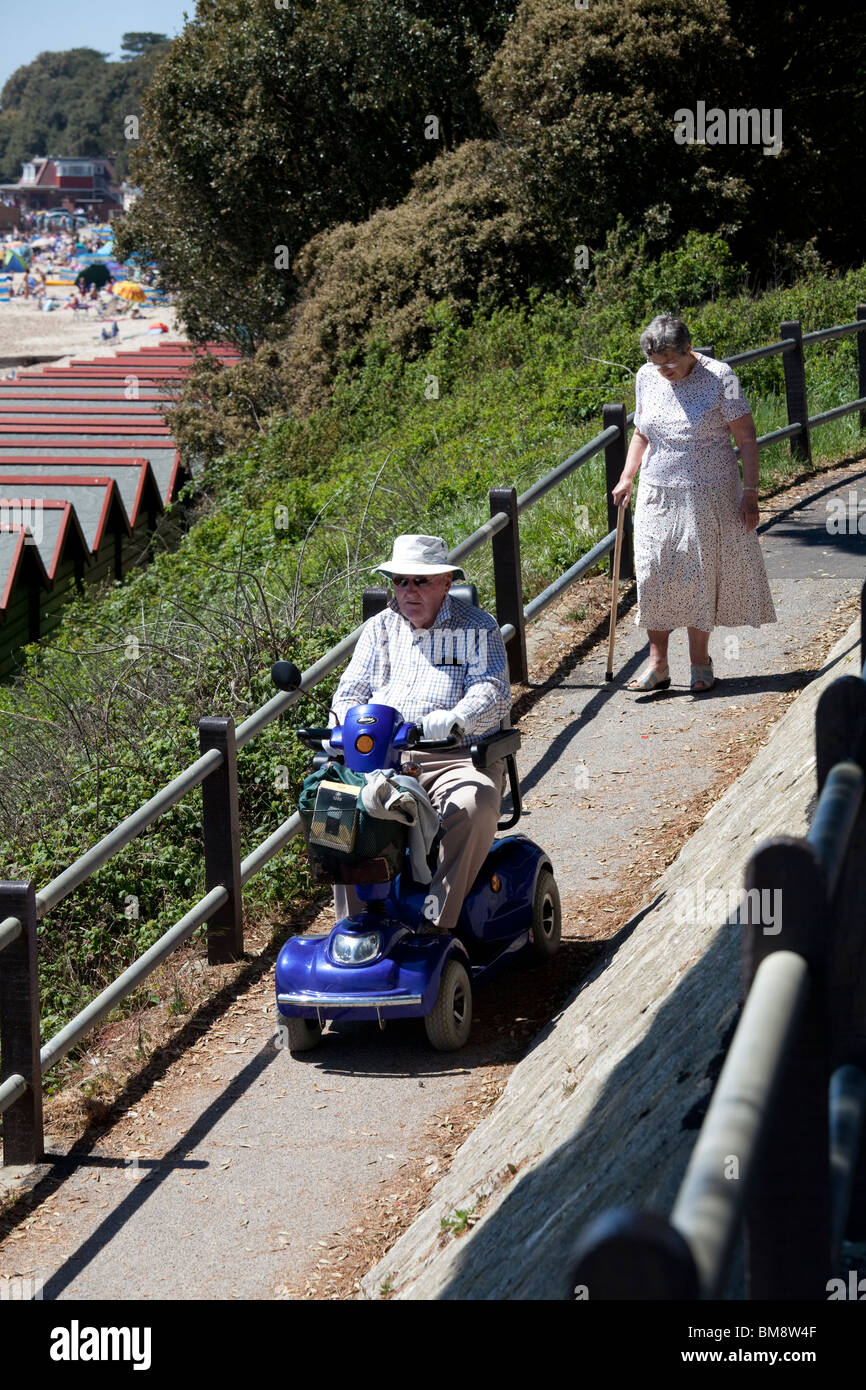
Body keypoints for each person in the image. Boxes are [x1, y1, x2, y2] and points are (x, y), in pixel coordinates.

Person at [329, 534, 511, 935]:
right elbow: (350, 691)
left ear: (446, 581)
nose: (408, 591)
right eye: (400, 581)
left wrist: (458, 717)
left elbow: (493, 692)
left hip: (453, 758)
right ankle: (357, 929)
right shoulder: (379, 628)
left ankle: (435, 923)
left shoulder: (477, 628)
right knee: (334, 805)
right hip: (382, 759)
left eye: (420, 581)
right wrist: (341, 726)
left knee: (473, 802)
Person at [611, 314, 776, 693]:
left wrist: (751, 492)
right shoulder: (646, 376)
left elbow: (747, 440)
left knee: (699, 575)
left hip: (709, 493)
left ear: (690, 349)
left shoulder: (722, 378)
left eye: (670, 362)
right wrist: (627, 475)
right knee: (653, 573)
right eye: (657, 363)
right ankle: (657, 665)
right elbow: (641, 432)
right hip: (657, 493)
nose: (663, 371)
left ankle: (700, 663)